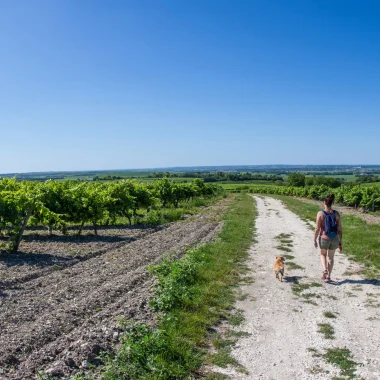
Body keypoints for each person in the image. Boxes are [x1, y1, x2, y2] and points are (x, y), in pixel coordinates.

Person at [314, 193, 342, 282]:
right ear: (332, 203)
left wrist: (314, 239)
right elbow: (340, 228)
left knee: (322, 254)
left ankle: (324, 269)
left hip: (324, 238)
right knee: (331, 258)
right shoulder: (336, 213)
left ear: (324, 203)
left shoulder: (320, 213)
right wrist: (340, 240)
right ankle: (328, 276)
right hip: (334, 238)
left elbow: (317, 228)